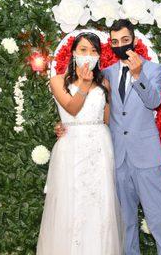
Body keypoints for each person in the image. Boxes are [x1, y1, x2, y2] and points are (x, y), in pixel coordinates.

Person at [56, 19, 161, 255]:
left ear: (133, 40)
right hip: (116, 159)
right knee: (125, 224)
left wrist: (138, 74)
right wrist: (64, 125)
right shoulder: (106, 75)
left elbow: (154, 102)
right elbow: (94, 109)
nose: (120, 45)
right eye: (114, 42)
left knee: (158, 221)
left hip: (146, 159)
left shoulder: (153, 69)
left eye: (125, 40)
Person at [37, 32, 123, 255]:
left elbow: (106, 119)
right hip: (71, 148)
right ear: (73, 53)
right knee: (71, 203)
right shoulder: (57, 81)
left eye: (94, 51)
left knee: (99, 206)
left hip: (99, 148)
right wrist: (84, 85)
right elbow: (72, 109)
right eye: (83, 49)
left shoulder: (103, 83)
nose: (89, 55)